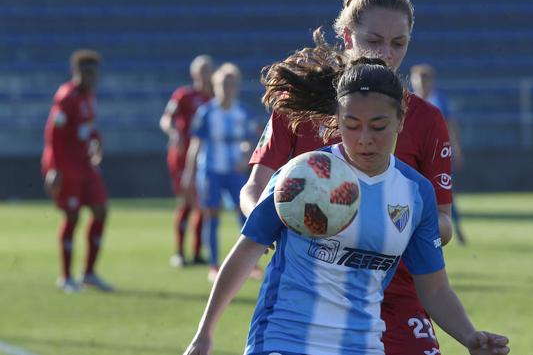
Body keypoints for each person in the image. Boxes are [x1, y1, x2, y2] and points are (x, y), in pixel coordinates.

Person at [183, 57, 509, 355]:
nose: (365, 137)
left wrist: (471, 337)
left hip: (362, 344)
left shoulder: (415, 193)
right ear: (337, 120)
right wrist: (204, 334)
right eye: (352, 124)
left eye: (378, 126)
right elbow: (246, 251)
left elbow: (435, 289)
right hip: (284, 339)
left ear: (400, 120)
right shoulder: (303, 175)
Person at [241, 0, 454, 355]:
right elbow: (254, 190)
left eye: (398, 43)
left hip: (396, 291)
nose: (386, 54)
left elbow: (443, 221)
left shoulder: (426, 119)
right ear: (346, 36)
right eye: (374, 40)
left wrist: (394, 221)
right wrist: (286, 219)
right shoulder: (296, 107)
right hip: (313, 292)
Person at [181, 63, 261, 282]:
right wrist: (189, 172)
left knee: (244, 215)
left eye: (231, 83)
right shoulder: (207, 111)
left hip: (234, 171)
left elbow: (251, 140)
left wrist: (245, 158)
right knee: (212, 216)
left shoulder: (242, 111)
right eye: (223, 84)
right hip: (211, 171)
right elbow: (196, 144)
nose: (227, 88)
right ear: (215, 85)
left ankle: (250, 264)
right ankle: (214, 265)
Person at [41, 49, 113, 293]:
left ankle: (89, 273)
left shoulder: (89, 97)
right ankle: (65, 277)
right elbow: (54, 135)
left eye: (95, 73)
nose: (92, 78)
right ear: (77, 72)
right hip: (66, 165)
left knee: (101, 210)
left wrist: (97, 139)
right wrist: (55, 169)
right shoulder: (66, 96)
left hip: (85, 164)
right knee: (72, 217)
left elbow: (88, 126)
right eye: (87, 72)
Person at [160, 55, 214, 267]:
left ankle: (197, 252)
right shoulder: (184, 95)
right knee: (187, 200)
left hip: (206, 156)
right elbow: (166, 119)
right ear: (194, 73)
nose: (205, 74)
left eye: (208, 69)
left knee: (202, 203)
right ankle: (180, 252)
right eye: (201, 70)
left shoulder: (215, 98)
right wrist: (173, 132)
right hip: (182, 155)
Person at [411, 64, 466, 245]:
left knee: (444, 193)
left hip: (436, 155)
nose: (421, 85)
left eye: (424, 80)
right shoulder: (409, 101)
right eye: (418, 80)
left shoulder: (439, 100)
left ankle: (454, 229)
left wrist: (455, 149)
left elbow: (450, 125)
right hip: (416, 154)